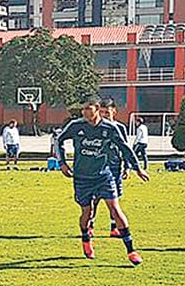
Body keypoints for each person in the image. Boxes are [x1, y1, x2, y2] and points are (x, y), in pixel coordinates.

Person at [56, 95, 150, 265]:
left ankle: (131, 251)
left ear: (97, 109)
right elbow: (59, 141)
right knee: (88, 212)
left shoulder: (110, 128)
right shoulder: (76, 126)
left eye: (88, 109)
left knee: (115, 209)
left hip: (103, 175)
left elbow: (125, 148)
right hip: (82, 177)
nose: (84, 112)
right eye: (82, 109)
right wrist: (62, 163)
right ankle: (86, 239)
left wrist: (137, 168)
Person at [94, 98, 131, 239]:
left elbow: (125, 149)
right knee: (94, 198)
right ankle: (90, 226)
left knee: (114, 200)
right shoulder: (95, 127)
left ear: (114, 112)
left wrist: (127, 167)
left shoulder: (120, 128)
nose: (104, 115)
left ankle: (114, 227)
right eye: (101, 112)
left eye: (107, 112)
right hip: (98, 168)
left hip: (115, 168)